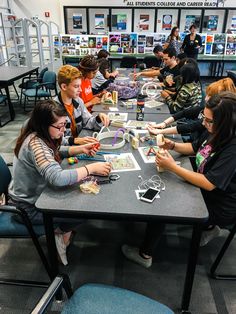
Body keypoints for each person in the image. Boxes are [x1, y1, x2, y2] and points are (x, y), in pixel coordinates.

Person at [122, 91, 236, 268]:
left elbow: (209, 183)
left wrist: (173, 167)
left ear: (226, 122)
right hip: (207, 189)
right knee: (167, 186)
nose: (203, 123)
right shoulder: (214, 130)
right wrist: (173, 145)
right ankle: (209, 229)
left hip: (219, 203)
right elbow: (194, 147)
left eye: (209, 120)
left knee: (163, 203)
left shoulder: (232, 147)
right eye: (204, 118)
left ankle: (145, 254)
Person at [9, 100, 111, 265]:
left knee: (81, 197)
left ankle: (61, 230)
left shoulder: (38, 134)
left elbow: (54, 152)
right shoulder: (36, 145)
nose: (64, 131)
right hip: (28, 208)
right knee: (87, 209)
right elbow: (57, 178)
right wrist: (91, 168)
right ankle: (59, 232)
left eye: (65, 125)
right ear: (44, 124)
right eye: (60, 126)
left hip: (34, 196)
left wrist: (79, 149)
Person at [148, 77, 236, 140]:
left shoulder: (212, 118)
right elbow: (185, 112)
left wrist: (161, 132)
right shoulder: (207, 108)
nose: (205, 98)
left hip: (194, 142)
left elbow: (191, 127)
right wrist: (164, 124)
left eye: (210, 96)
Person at [55, 64, 109, 146]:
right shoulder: (53, 109)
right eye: (76, 86)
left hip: (78, 145)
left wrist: (98, 118)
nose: (80, 90)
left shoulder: (78, 101)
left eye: (80, 86)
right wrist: (76, 141)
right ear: (64, 86)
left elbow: (88, 122)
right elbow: (56, 140)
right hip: (64, 152)